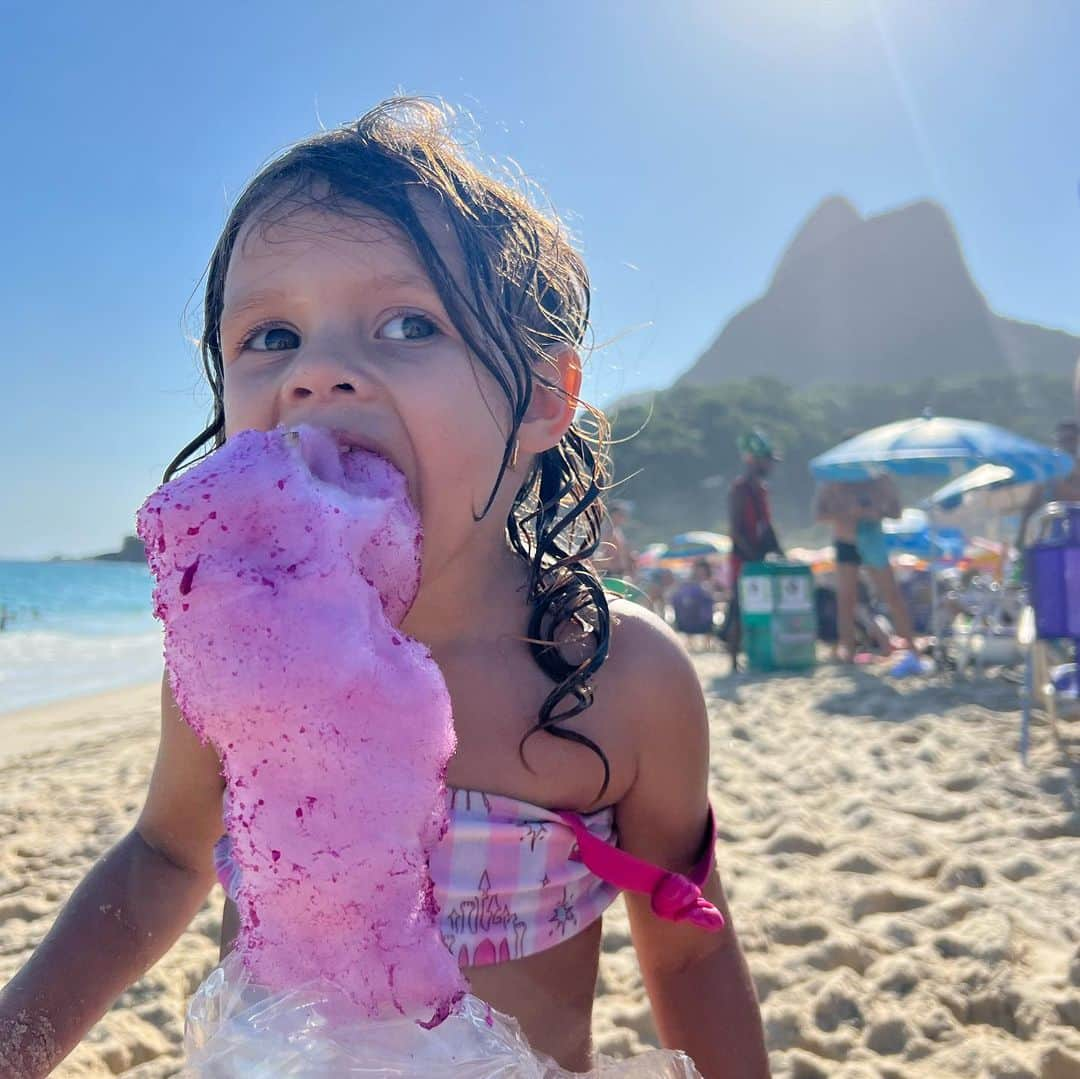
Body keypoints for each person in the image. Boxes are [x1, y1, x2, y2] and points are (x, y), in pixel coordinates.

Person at [0, 98, 768, 1078]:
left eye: (409, 323)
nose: (320, 371)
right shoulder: (240, 644)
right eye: (270, 336)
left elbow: (691, 943)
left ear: (543, 397)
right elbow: (162, 857)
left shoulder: (624, 676)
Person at [814, 474, 916, 663]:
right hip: (846, 540)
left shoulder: (879, 479)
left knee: (891, 594)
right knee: (846, 598)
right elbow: (820, 514)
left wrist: (875, 511)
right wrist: (848, 513)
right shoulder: (833, 479)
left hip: (872, 539)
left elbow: (896, 512)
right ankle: (848, 648)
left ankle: (910, 646)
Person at [722, 430, 783, 672]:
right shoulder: (740, 489)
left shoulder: (761, 489)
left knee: (757, 604)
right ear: (754, 460)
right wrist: (752, 557)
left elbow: (766, 526)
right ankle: (734, 661)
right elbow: (736, 529)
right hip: (743, 558)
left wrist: (778, 551)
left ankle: (757, 654)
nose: (770, 465)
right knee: (739, 605)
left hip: (756, 556)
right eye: (766, 459)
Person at [1015, 418, 1080, 549]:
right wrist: (1020, 540)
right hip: (1056, 539)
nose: (1066, 445)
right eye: (1061, 441)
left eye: (1070, 440)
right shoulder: (1049, 473)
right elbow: (1030, 507)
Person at [671, 559, 717, 651]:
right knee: (689, 616)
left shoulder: (711, 582)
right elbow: (679, 594)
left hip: (705, 611)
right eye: (699, 570)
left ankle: (706, 645)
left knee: (706, 620)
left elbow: (714, 595)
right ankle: (690, 643)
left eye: (702, 570)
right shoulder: (689, 582)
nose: (700, 572)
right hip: (691, 610)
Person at [595, 499, 637, 580]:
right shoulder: (608, 530)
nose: (623, 517)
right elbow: (604, 550)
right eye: (620, 515)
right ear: (613, 515)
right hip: (610, 572)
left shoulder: (616, 530)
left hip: (616, 572)